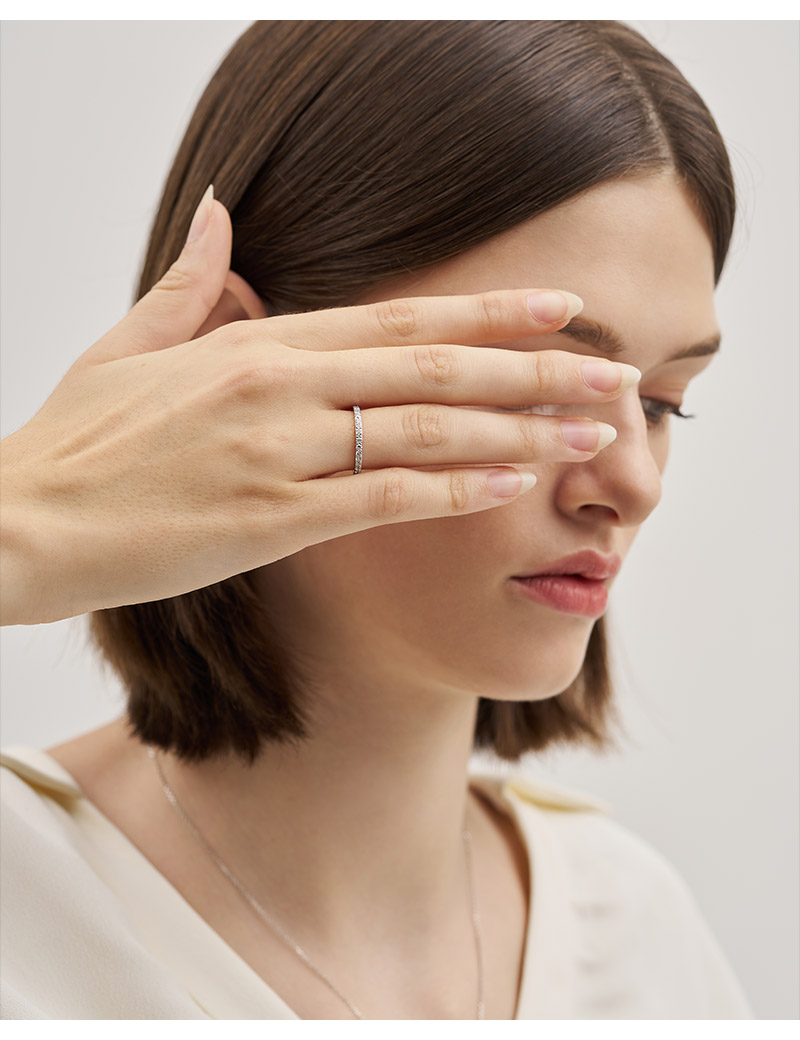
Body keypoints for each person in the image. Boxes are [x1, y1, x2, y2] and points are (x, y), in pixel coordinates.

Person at [0, 21, 754, 1020]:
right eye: (536, 385)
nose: (634, 481)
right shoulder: (26, 909)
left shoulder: (640, 935)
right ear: (230, 360)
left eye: (661, 404)